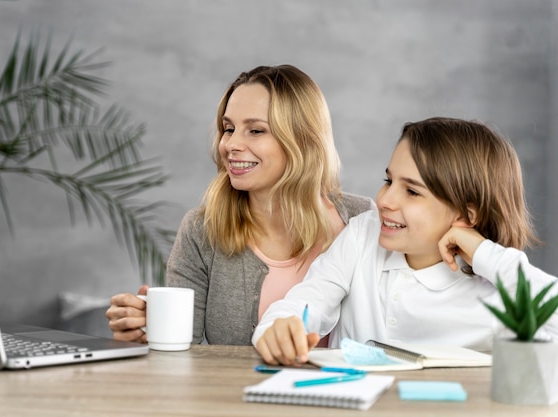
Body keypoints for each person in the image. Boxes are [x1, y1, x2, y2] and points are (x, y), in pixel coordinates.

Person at [253, 117, 558, 365]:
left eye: (412, 192)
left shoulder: (493, 292)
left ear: (466, 216)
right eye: (388, 181)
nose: (384, 200)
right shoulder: (364, 234)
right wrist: (279, 329)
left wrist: (485, 253)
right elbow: (308, 299)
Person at [106, 65, 375, 345]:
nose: (231, 144)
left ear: (303, 139)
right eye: (229, 128)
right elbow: (181, 355)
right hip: (232, 390)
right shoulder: (202, 231)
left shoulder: (362, 222)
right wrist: (147, 332)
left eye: (256, 130)